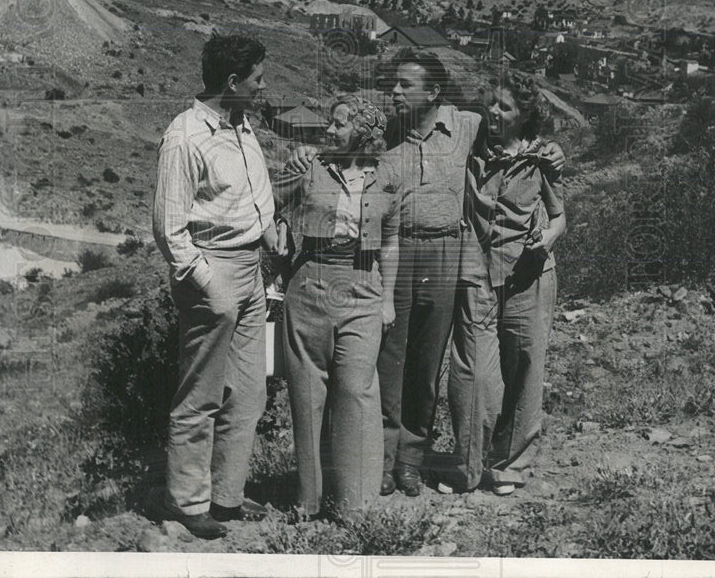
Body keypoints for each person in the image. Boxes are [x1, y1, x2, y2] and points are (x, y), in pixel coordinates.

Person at [286, 49, 481, 497]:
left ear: (433, 92)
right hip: (391, 254)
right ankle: (384, 463)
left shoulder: (465, 126)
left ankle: (412, 458)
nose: (393, 91)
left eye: (405, 85)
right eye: (393, 84)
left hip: (445, 251)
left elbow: (507, 135)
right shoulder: (380, 135)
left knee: (428, 362)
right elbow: (333, 161)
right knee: (387, 362)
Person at [151, 33, 278, 539]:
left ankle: (227, 496)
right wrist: (209, 284)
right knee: (200, 394)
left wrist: (270, 241)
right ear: (232, 82)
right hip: (213, 273)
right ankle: (187, 502)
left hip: (251, 272)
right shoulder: (185, 137)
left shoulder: (242, 125)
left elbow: (253, 194)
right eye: (258, 79)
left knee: (249, 392)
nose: (264, 87)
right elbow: (169, 227)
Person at [271, 95, 400, 519]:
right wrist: (279, 239)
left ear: (361, 133)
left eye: (339, 124)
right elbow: (267, 201)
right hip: (309, 283)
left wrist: (387, 301)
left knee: (355, 389)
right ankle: (308, 501)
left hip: (363, 285)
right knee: (307, 396)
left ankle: (354, 504)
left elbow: (392, 242)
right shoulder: (310, 166)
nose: (329, 130)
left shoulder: (387, 176)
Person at [444, 68, 567, 495]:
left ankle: (510, 464)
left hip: (529, 277)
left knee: (525, 370)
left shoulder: (541, 159)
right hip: (477, 275)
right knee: (473, 372)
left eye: (506, 106)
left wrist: (545, 241)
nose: (494, 112)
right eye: (491, 103)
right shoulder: (471, 149)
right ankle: (467, 465)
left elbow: (559, 217)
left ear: (524, 114)